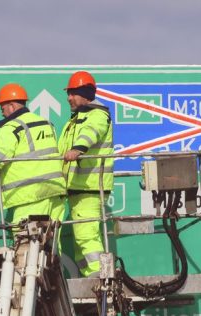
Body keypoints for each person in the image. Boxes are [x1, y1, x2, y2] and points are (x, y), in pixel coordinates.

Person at [0, 83, 66, 225]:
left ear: (12, 106)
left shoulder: (11, 127)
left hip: (30, 195)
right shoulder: (46, 123)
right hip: (55, 192)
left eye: (2, 108)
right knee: (50, 244)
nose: (2, 113)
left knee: (26, 242)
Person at [57, 71, 114, 277]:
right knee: (80, 240)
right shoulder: (76, 120)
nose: (69, 98)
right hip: (78, 189)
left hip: (89, 188)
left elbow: (91, 132)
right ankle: (90, 279)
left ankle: (101, 279)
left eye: (73, 93)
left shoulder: (97, 114)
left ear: (85, 94)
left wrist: (78, 149)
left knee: (87, 236)